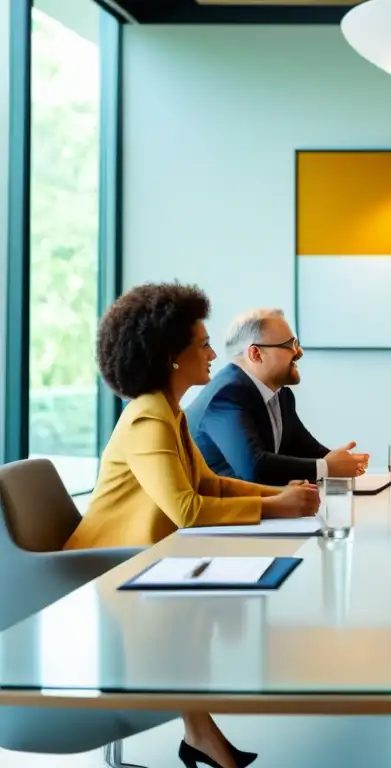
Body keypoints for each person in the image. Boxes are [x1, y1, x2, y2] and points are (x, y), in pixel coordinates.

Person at [64, 283, 321, 768]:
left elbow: (213, 486)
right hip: (108, 568)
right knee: (213, 600)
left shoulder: (170, 413)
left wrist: (284, 498)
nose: (211, 353)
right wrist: (276, 507)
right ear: (170, 357)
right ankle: (202, 735)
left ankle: (201, 735)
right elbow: (187, 507)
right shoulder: (147, 420)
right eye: (201, 344)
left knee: (222, 592)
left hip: (149, 556)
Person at [187, 309, 368, 486]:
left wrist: (342, 461)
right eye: (290, 345)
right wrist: (326, 467)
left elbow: (305, 449)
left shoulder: (281, 395)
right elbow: (254, 468)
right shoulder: (227, 395)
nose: (299, 352)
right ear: (256, 354)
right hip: (218, 511)